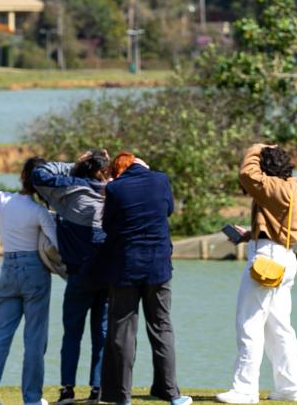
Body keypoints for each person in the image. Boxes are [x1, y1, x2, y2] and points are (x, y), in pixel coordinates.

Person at [216, 144, 297, 404]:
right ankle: (290, 388)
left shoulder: (274, 186)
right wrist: (251, 234)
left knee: (249, 323)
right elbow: (278, 224)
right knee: (279, 327)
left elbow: (247, 174)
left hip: (267, 259)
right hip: (283, 257)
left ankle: (245, 390)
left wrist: (256, 148)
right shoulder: (293, 187)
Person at [100, 152, 192, 405]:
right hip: (158, 267)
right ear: (140, 163)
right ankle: (171, 392)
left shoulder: (115, 189)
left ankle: (121, 395)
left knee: (122, 330)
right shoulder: (160, 180)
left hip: (126, 267)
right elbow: (169, 209)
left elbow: (107, 225)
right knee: (161, 327)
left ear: (119, 170)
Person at [0, 156, 59, 405]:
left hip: (8, 269)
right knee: (34, 338)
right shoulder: (39, 212)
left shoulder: (4, 200)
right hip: (35, 272)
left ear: (22, 177)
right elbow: (57, 244)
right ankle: (32, 398)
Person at [31, 150, 111, 405]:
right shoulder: (114, 193)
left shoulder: (68, 192)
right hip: (107, 275)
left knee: (72, 335)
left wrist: (74, 165)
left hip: (78, 275)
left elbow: (38, 173)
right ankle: (97, 390)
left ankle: (67, 391)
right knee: (102, 333)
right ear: (103, 171)